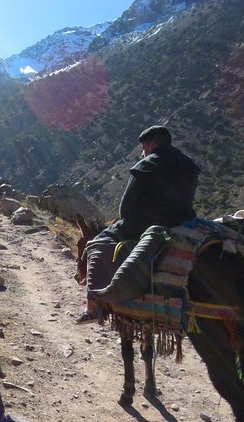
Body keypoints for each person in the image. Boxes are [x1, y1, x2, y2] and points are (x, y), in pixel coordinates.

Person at [75, 125, 201, 324]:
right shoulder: (190, 165)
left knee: (97, 243)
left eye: (143, 148)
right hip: (183, 222)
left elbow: (124, 209)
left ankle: (93, 306)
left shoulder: (147, 164)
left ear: (151, 145)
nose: (142, 153)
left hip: (145, 224)